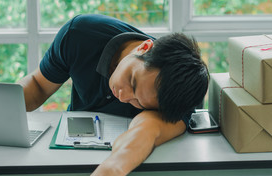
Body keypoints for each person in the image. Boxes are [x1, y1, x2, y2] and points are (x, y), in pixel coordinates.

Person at [18, 14, 209, 175]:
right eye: (132, 80)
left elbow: (138, 139)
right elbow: (38, 85)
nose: (124, 96)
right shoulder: (80, 34)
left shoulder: (177, 100)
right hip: (66, 150)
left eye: (139, 102)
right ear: (144, 47)